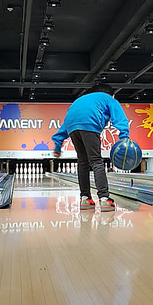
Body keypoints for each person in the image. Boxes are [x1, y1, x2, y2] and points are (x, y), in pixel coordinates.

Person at [52, 83, 129, 211]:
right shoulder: (109, 99)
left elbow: (65, 124)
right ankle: (104, 199)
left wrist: (57, 145)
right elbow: (120, 119)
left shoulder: (80, 100)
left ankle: (85, 198)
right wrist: (124, 138)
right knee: (96, 161)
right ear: (113, 95)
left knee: (83, 162)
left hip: (72, 127)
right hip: (90, 123)